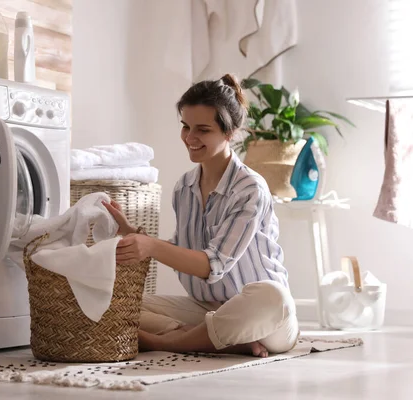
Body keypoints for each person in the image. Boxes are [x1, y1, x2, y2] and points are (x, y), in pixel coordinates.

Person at [103, 74, 299, 358]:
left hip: (267, 316)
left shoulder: (249, 189)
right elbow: (185, 252)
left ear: (229, 133)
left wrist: (152, 247)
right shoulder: (184, 187)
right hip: (207, 310)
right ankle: (222, 339)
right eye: (185, 127)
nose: (190, 138)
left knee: (273, 297)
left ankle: (167, 342)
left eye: (203, 130)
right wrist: (136, 236)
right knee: (116, 301)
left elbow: (212, 264)